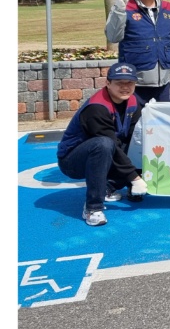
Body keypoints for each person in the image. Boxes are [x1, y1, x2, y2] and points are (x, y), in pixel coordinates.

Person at [55, 62, 148, 227]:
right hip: (73, 161)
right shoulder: (97, 107)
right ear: (108, 83)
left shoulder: (133, 102)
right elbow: (109, 143)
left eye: (129, 83)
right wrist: (134, 178)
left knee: (141, 142)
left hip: (105, 153)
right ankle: (92, 208)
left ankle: (109, 187)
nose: (125, 87)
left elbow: (134, 140)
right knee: (103, 145)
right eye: (119, 83)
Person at [104, 0, 170, 107]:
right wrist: (118, 10)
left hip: (164, 84)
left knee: (162, 127)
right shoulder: (124, 7)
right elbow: (113, 37)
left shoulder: (168, 8)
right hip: (134, 85)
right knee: (135, 127)